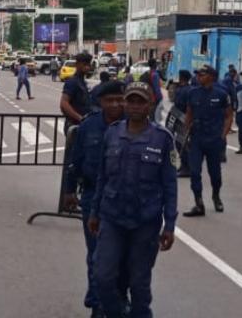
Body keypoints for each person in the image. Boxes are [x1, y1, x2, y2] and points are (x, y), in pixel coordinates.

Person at [89, 82, 177, 318]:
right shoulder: (113, 133)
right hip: (113, 217)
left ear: (150, 105)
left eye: (141, 101)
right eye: (131, 101)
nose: (135, 106)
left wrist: (170, 225)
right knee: (103, 276)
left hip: (145, 222)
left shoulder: (163, 139)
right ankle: (115, 313)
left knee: (139, 283)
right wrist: (94, 212)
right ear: (125, 103)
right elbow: (102, 176)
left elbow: (170, 185)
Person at [64, 80, 126, 317]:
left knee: (121, 257)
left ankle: (116, 298)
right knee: (97, 255)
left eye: (119, 99)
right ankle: (98, 303)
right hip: (92, 200)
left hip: (123, 200)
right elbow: (75, 161)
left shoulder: (132, 126)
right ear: (100, 102)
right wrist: (69, 191)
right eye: (109, 100)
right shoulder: (88, 126)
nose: (115, 104)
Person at [183, 65, 232, 216]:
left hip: (214, 140)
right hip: (197, 138)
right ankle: (199, 203)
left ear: (211, 76)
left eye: (202, 74)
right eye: (198, 74)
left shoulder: (222, 94)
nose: (199, 76)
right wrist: (186, 133)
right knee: (195, 172)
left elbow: (229, 116)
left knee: (215, 174)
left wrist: (223, 135)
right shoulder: (193, 93)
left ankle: (216, 196)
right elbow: (189, 114)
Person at [60, 52, 92, 131]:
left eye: (88, 64)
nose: (87, 67)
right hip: (74, 125)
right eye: (84, 64)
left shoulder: (82, 82)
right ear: (77, 64)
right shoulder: (72, 82)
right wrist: (80, 118)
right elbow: (64, 103)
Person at [172, 70, 192, 177]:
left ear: (182, 78)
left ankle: (186, 167)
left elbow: (178, 105)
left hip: (181, 119)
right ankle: (184, 166)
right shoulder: (190, 89)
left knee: (181, 144)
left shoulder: (182, 90)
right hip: (186, 119)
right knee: (183, 143)